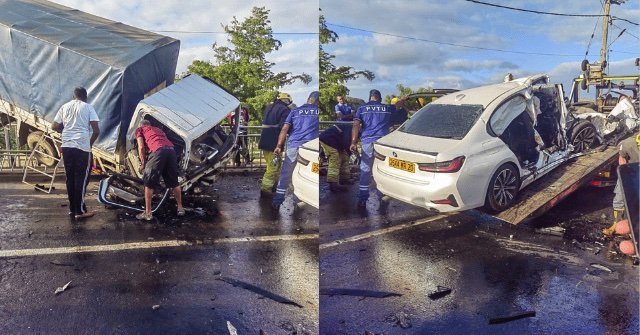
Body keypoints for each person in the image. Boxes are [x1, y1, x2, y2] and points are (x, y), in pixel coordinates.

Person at [52, 87, 100, 220]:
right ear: (85, 97)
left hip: (67, 146)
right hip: (82, 147)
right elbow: (96, 131)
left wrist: (67, 130)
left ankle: (73, 209)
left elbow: (54, 126)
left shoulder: (64, 107)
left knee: (70, 178)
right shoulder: (88, 107)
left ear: (74, 96)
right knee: (81, 178)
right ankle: (80, 211)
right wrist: (88, 144)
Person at [272, 91, 320, 209]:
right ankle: (301, 197)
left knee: (286, 173)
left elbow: (284, 129)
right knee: (310, 172)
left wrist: (279, 146)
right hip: (309, 148)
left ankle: (277, 201)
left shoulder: (294, 111)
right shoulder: (318, 112)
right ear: (318, 101)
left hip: (293, 145)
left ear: (308, 98)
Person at [350, 89, 395, 208]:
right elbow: (399, 110)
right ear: (379, 98)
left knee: (365, 169)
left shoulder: (362, 108)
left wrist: (354, 142)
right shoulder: (387, 108)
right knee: (382, 167)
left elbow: (355, 125)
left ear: (369, 98)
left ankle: (362, 199)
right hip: (383, 142)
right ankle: (382, 195)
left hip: (367, 141)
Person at [134, 119, 184, 221]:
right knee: (174, 182)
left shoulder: (139, 129)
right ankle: (180, 208)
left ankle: (148, 213)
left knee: (148, 182)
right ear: (149, 125)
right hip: (171, 151)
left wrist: (143, 164)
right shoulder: (158, 129)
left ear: (141, 125)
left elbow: (141, 147)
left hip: (158, 151)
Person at [603, 133, 639, 235]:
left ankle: (635, 229)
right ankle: (617, 224)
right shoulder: (628, 144)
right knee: (619, 199)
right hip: (630, 173)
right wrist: (624, 174)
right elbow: (622, 158)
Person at [258, 93, 292, 196]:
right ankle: (266, 189)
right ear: (287, 101)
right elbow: (284, 127)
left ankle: (273, 186)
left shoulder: (269, 107)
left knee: (272, 165)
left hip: (264, 141)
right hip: (275, 143)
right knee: (273, 167)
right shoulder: (285, 110)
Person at [320, 123, 353, 192]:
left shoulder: (352, 129)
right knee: (335, 158)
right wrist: (350, 152)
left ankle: (344, 179)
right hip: (328, 140)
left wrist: (349, 153)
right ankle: (333, 183)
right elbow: (346, 142)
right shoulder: (350, 129)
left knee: (345, 157)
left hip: (335, 141)